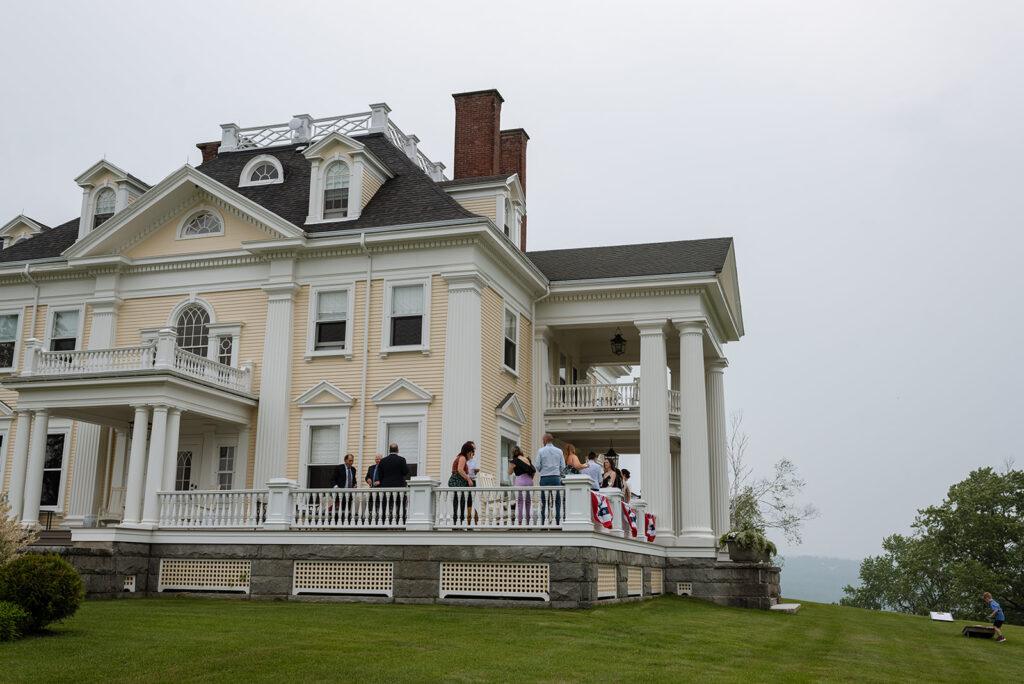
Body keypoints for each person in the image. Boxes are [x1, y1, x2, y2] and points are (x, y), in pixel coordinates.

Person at [374, 444, 410, 524]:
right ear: (397, 450)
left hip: (386, 486)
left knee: (385, 505)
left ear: (389, 451)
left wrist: (383, 481)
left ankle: (383, 521)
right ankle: (401, 522)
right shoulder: (402, 460)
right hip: (399, 486)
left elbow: (380, 475)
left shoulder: (383, 461)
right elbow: (406, 472)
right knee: (401, 504)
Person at [535, 433, 564, 524]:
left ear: (545, 440)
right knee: (557, 501)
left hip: (545, 478)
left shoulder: (541, 451)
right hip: (556, 478)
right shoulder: (559, 451)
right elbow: (563, 466)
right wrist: (557, 471)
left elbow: (537, 465)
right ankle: (558, 522)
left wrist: (542, 470)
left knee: (545, 501)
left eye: (543, 440)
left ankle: (544, 522)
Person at [448, 441, 476, 524]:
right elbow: (460, 470)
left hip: (457, 480)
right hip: (457, 481)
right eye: (471, 452)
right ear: (467, 451)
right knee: (460, 501)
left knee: (459, 501)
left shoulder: (460, 457)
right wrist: (469, 479)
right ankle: (457, 522)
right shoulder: (462, 458)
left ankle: (458, 522)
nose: (471, 455)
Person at [508, 445, 535, 524]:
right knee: (528, 502)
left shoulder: (514, 461)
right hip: (529, 481)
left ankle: (519, 522)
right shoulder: (527, 459)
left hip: (520, 481)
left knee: (520, 502)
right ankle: (528, 522)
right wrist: (529, 480)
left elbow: (509, 473)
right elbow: (533, 471)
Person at [330, 454, 358, 523]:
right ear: (345, 461)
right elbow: (332, 479)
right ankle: (335, 524)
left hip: (349, 493)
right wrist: (336, 487)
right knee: (338, 510)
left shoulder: (353, 469)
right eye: (350, 461)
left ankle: (346, 523)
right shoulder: (339, 468)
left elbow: (353, 479)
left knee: (347, 510)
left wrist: (355, 484)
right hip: (339, 493)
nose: (351, 462)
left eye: (352, 461)